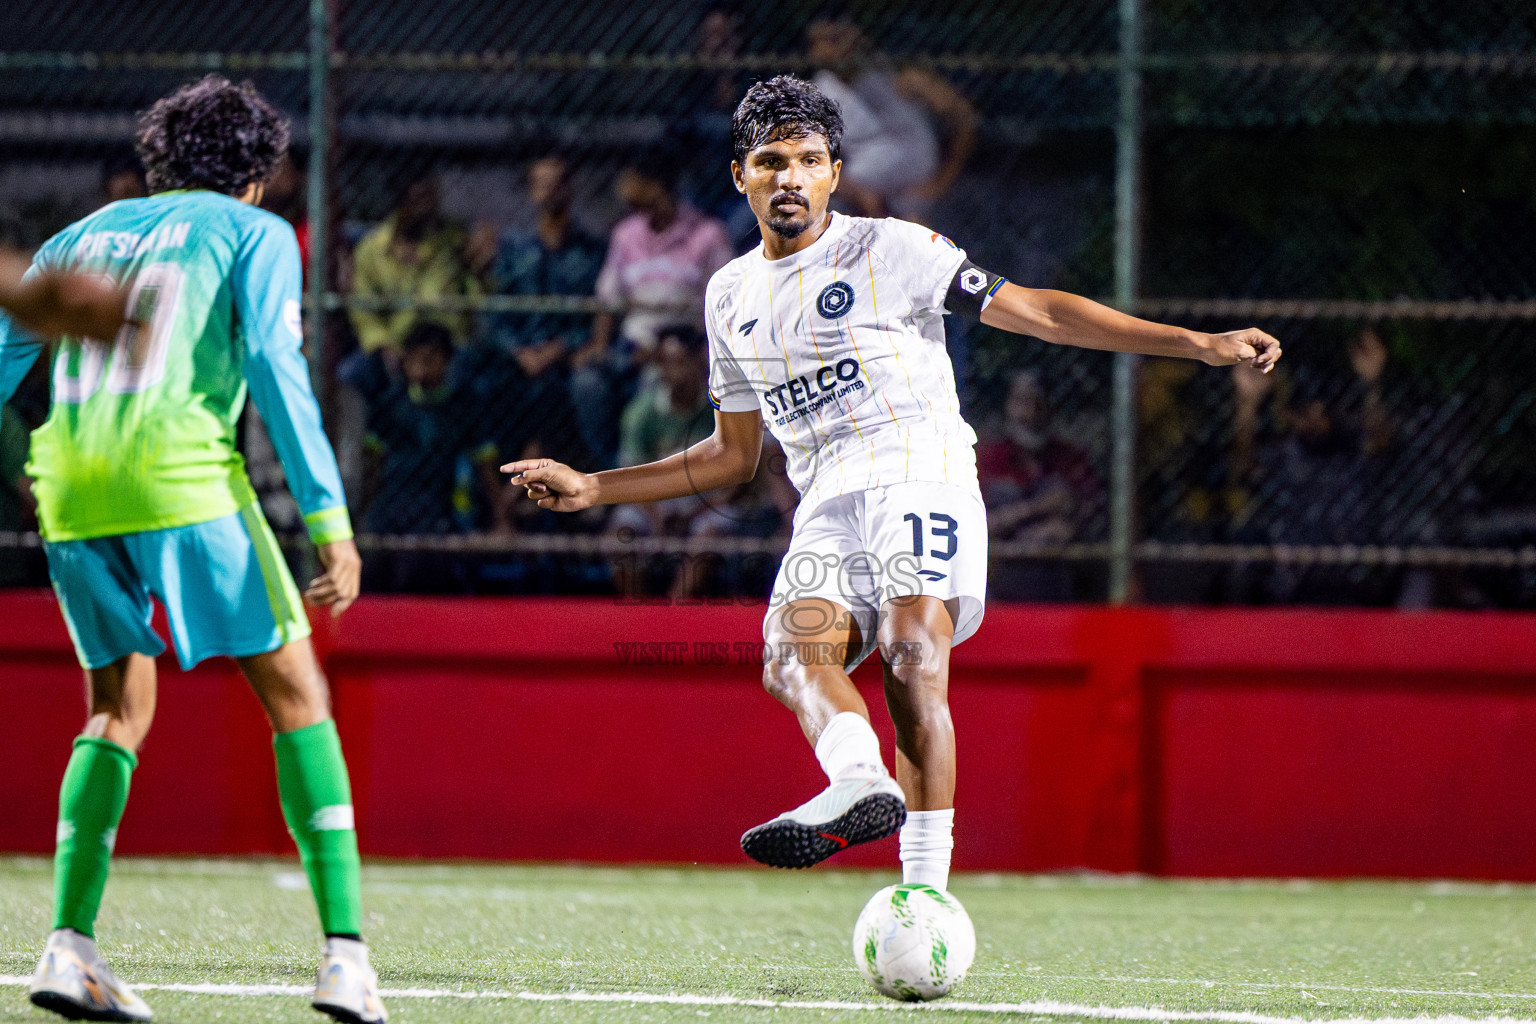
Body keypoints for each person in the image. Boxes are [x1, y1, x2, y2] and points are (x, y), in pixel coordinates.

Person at [504, 76, 1280, 889]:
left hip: (919, 469)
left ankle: (923, 892)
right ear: (740, 176)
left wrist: (1195, 343)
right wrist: (595, 488)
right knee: (789, 656)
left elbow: (1040, 312)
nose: (791, 177)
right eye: (771, 161)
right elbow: (732, 456)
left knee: (912, 654)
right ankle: (857, 781)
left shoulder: (894, 248)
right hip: (825, 503)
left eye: (809, 160)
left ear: (835, 173)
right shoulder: (728, 295)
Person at [0, 76, 386, 1024]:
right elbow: (277, 367)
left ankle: (69, 947)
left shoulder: (77, 236)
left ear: (157, 161)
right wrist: (330, 521)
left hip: (71, 489)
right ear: (258, 174)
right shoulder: (256, 232)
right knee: (298, 697)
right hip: (184, 479)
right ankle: (346, 958)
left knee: (115, 709)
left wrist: (32, 469)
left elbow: (4, 363)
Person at [574, 155, 734, 466]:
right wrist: (598, 346)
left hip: (686, 345)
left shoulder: (707, 234)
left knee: (659, 379)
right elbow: (608, 299)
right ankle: (614, 469)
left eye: (632, 182)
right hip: (633, 346)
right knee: (588, 384)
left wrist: (698, 349)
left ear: (656, 186)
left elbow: (726, 303)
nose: (623, 191)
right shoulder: (625, 235)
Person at [468, 154, 603, 478]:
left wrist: (560, 348)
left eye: (557, 183)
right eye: (542, 184)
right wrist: (518, 351)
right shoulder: (514, 250)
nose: (550, 191)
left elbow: (596, 316)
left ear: (570, 190)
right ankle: (483, 490)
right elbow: (495, 312)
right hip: (517, 359)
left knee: (581, 388)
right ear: (531, 192)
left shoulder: (590, 252)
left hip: (565, 360)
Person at [806, 9, 976, 221]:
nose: (825, 50)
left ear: (858, 37)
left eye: (834, 39)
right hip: (858, 197)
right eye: (817, 42)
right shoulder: (816, 95)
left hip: (919, 190)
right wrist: (857, 194)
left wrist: (942, 182)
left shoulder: (898, 77)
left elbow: (963, 116)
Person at [977, 369, 1100, 601]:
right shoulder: (988, 459)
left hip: (1057, 581)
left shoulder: (1070, 459)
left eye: (1038, 402)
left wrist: (1066, 527)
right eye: (1021, 401)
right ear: (1008, 405)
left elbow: (1090, 518)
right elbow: (976, 526)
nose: (1029, 413)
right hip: (1000, 579)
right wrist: (1037, 508)